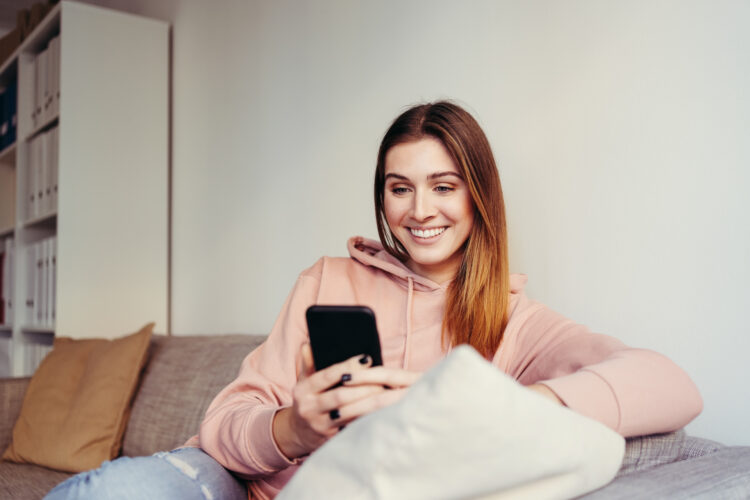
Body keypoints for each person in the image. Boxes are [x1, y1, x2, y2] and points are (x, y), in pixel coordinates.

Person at [46, 101, 703, 500]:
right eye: (399, 188)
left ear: (478, 196)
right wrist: (292, 428)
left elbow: (671, 385)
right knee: (117, 489)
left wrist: (490, 407)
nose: (421, 211)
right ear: (382, 197)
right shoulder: (328, 278)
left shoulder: (516, 322)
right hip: (228, 481)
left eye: (444, 186)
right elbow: (226, 423)